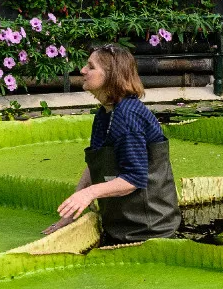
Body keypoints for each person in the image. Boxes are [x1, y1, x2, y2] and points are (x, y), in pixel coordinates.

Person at [46, 45, 181, 244]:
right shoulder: (105, 113)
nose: (83, 70)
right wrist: (72, 211)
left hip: (151, 233)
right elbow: (98, 163)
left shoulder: (128, 115)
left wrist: (89, 193)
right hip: (122, 229)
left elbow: (134, 178)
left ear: (111, 76)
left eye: (91, 67)